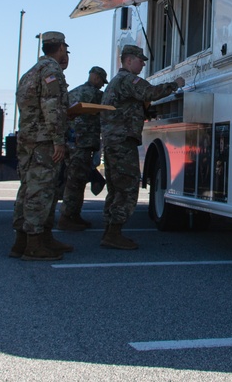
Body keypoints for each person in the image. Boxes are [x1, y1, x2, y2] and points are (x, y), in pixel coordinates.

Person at [100, 45, 184, 250]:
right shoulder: (128, 80)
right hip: (122, 143)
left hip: (113, 142)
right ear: (128, 61)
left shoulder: (115, 82)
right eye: (140, 60)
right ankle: (113, 233)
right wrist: (175, 84)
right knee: (127, 187)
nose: (143, 63)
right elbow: (150, 92)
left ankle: (110, 230)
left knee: (115, 187)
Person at [10, 31, 72, 261]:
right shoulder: (51, 70)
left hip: (27, 138)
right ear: (61, 48)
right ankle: (34, 244)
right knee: (41, 190)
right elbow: (51, 106)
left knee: (27, 188)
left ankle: (24, 240)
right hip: (43, 140)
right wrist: (58, 140)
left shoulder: (30, 72)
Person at [59, 65, 108, 231]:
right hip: (82, 144)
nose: (102, 85)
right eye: (101, 81)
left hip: (72, 142)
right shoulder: (93, 94)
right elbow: (109, 106)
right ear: (96, 77)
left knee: (75, 180)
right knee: (76, 181)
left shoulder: (74, 92)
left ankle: (74, 215)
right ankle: (67, 217)